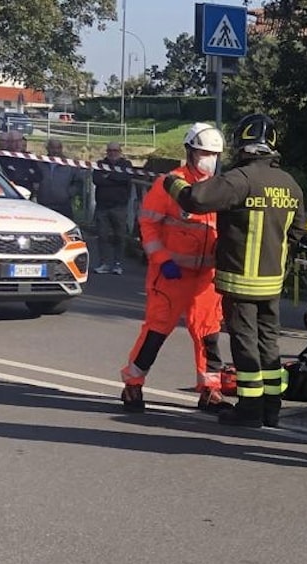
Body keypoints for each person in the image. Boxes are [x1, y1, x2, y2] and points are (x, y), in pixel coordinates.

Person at [164, 113, 307, 428]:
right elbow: (298, 230)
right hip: (272, 282)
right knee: (269, 343)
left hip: (240, 281)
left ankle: (250, 409)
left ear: (242, 143)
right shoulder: (290, 184)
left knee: (244, 344)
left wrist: (170, 182)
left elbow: (195, 200)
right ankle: (272, 407)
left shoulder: (240, 179)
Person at [120, 123, 230, 414]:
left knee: (208, 333)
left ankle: (211, 390)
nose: (209, 158)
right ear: (190, 152)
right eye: (204, 153)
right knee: (157, 330)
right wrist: (162, 260)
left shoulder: (219, 189)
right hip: (171, 274)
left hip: (206, 277)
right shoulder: (170, 184)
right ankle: (133, 384)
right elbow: (148, 223)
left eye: (214, 154)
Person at [92, 142, 134, 275]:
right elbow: (97, 180)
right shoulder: (100, 164)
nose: (112, 153)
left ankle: (118, 264)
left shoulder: (126, 165)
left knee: (119, 236)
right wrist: (115, 178)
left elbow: (125, 178)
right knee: (102, 236)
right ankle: (104, 263)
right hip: (102, 206)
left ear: (120, 151)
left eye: (115, 150)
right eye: (110, 150)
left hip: (119, 206)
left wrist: (109, 176)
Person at [35, 138, 83, 218]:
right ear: (47, 148)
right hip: (43, 205)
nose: (55, 151)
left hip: (63, 206)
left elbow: (78, 182)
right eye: (53, 148)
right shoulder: (40, 163)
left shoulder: (70, 164)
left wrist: (68, 193)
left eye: (58, 148)